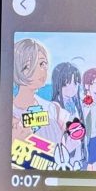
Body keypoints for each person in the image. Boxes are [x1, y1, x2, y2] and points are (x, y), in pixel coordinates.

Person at [12, 38, 63, 168]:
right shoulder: (10, 115)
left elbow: (58, 150)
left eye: (42, 64)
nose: (41, 70)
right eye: (28, 66)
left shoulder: (52, 108)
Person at [81, 67, 96, 170]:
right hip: (85, 139)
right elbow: (81, 119)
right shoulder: (82, 100)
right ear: (87, 85)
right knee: (84, 167)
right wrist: (87, 106)